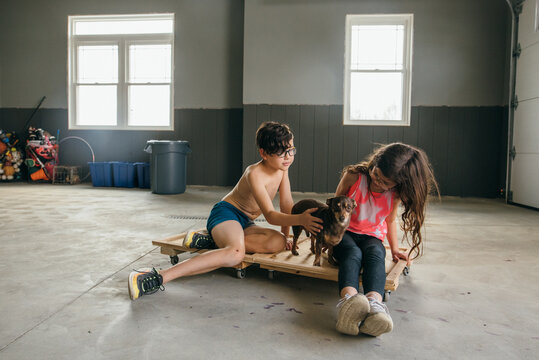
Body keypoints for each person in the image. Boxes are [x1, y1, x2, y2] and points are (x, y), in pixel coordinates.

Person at [128, 122, 323, 300]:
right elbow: (271, 215)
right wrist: (301, 220)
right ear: (264, 153)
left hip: (246, 223)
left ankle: (214, 241)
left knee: (278, 242)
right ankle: (157, 277)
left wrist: (287, 236)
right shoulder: (254, 173)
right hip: (226, 214)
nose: (288, 157)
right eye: (282, 152)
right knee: (236, 253)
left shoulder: (283, 168)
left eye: (291, 150)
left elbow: (286, 206)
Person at [333, 143, 438, 337]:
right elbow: (335, 206)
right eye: (376, 174)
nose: (378, 182)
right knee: (352, 253)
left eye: (385, 183)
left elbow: (389, 221)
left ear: (397, 184)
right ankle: (349, 301)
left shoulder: (394, 194)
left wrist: (395, 249)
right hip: (344, 232)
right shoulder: (354, 177)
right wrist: (328, 239)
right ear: (375, 162)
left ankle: (374, 304)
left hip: (372, 235)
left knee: (376, 254)